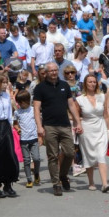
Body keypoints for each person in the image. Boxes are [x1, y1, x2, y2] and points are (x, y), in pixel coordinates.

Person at [33, 62, 83, 197]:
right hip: (49, 126)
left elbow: (71, 105)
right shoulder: (40, 88)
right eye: (51, 71)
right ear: (46, 72)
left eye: (55, 70)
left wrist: (78, 122)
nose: (54, 73)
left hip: (65, 124)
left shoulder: (64, 85)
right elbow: (37, 108)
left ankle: (63, 175)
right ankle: (56, 183)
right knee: (53, 156)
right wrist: (39, 126)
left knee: (69, 153)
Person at [76, 74, 109, 193]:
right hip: (87, 129)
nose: (92, 84)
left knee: (101, 155)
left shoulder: (102, 96)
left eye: (94, 82)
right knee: (89, 155)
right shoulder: (79, 99)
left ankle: (104, 184)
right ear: (85, 84)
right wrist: (78, 124)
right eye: (89, 82)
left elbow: (106, 114)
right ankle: (91, 181)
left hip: (100, 126)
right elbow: (75, 114)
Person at [13, 90, 41, 188]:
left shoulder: (33, 110)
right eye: (19, 102)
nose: (20, 104)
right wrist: (18, 129)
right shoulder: (17, 112)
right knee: (26, 160)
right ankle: (29, 179)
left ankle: (36, 173)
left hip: (34, 137)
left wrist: (40, 134)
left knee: (37, 158)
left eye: (22, 102)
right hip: (24, 139)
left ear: (28, 101)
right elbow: (15, 123)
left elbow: (38, 122)